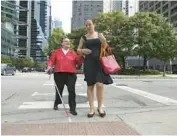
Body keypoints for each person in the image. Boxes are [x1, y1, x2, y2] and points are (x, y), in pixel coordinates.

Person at [77, 20, 113, 118]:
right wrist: (82, 50)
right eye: (86, 25)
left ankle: (100, 107)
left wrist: (104, 41)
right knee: (90, 86)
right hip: (89, 63)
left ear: (94, 25)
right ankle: (91, 108)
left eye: (90, 24)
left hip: (100, 62)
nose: (88, 26)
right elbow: (78, 50)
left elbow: (106, 48)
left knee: (100, 85)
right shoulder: (83, 37)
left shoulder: (99, 35)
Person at [47, 38, 83, 115]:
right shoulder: (56, 52)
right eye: (66, 41)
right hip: (59, 74)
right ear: (62, 43)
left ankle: (72, 108)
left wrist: (81, 55)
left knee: (72, 91)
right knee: (59, 90)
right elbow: (51, 60)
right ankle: (56, 103)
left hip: (71, 75)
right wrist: (49, 67)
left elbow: (78, 62)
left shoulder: (73, 53)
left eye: (69, 41)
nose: (68, 42)